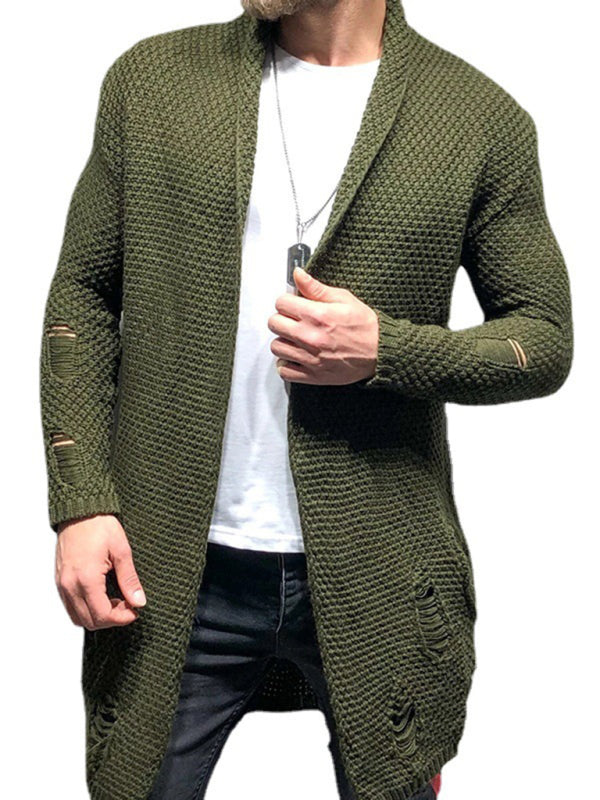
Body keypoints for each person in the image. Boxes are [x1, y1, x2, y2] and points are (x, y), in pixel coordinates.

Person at [39, 0, 573, 798]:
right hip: (169, 569)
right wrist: (82, 501)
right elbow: (83, 295)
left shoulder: (477, 118)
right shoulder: (152, 82)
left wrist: (387, 349)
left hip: (384, 573)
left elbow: (545, 337)